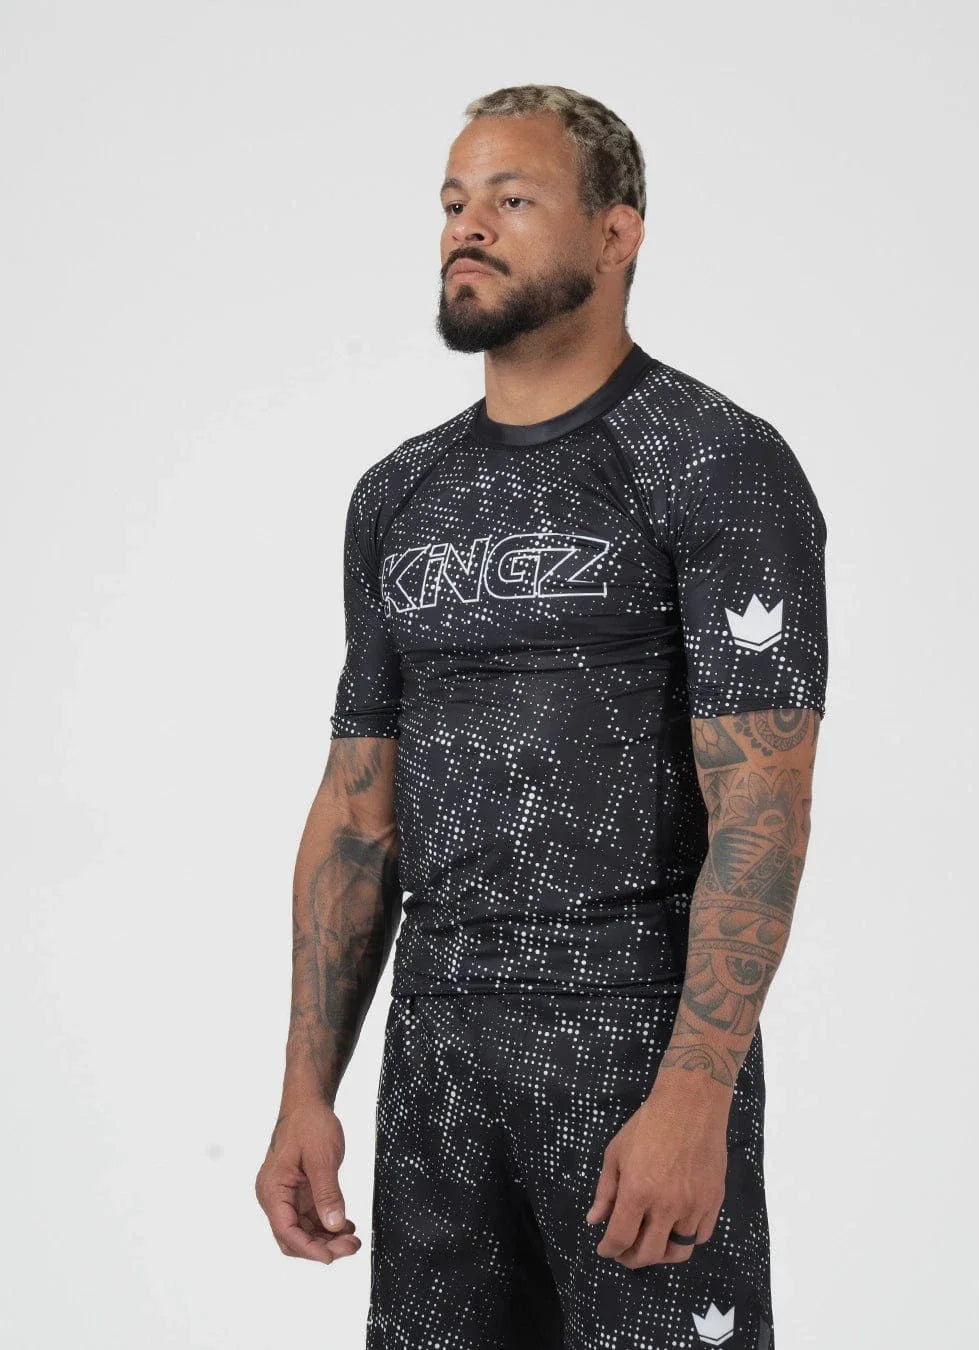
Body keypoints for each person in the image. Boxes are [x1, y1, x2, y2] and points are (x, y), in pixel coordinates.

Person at [255, 83, 828, 1350]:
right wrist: (306, 1091)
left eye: (512, 200)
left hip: (631, 1039)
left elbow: (764, 805)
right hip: (437, 1052)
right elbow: (357, 813)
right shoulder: (400, 493)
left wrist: (695, 1097)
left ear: (618, 234)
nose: (467, 227)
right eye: (454, 202)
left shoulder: (715, 463)